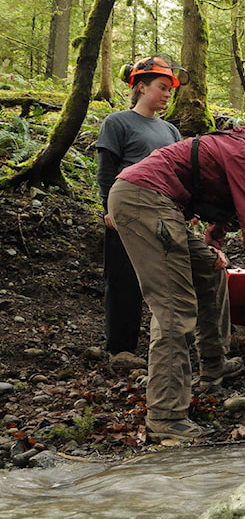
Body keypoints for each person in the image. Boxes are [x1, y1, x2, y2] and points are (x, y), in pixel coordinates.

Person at [107, 99, 245, 442]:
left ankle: (213, 367)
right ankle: (166, 416)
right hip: (144, 200)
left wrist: (214, 246)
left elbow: (223, 206)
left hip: (156, 202)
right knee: (174, 308)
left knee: (210, 269)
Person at [95, 54, 184, 362]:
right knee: (123, 278)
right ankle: (120, 349)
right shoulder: (117, 122)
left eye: (170, 89)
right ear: (142, 87)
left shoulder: (171, 131)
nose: (167, 94)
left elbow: (178, 173)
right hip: (126, 212)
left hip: (162, 214)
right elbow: (106, 169)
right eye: (162, 86)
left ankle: (166, 346)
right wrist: (108, 207)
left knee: (164, 280)